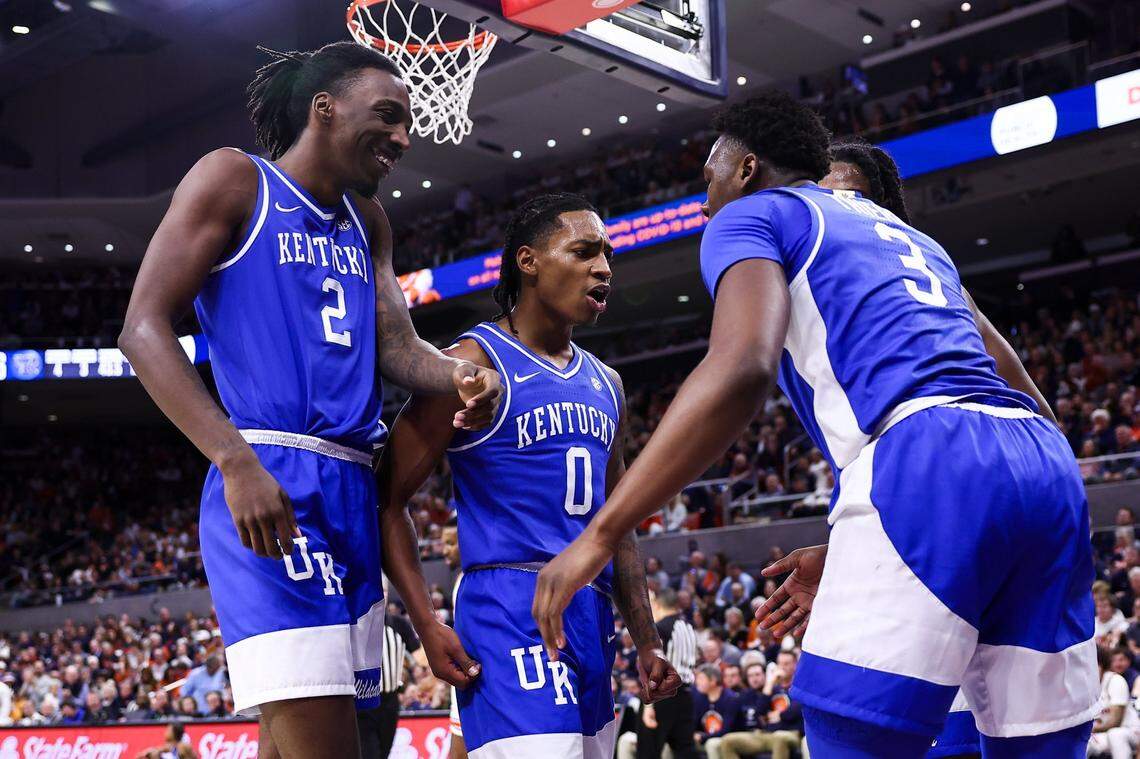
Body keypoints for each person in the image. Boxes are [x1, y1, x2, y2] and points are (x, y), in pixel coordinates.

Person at [532, 90, 1098, 757]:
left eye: (709, 177)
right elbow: (1023, 392)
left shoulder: (753, 216)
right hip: (1046, 469)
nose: (704, 199)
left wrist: (601, 533)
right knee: (1034, 748)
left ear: (744, 170)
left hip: (924, 452)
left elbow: (742, 367)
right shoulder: (916, 242)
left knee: (849, 741)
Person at [119, 41, 500, 759]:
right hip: (273, 477)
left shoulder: (369, 221)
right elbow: (142, 330)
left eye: (408, 121)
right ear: (325, 108)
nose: (403, 137)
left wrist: (463, 376)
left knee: (296, 741)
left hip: (354, 490)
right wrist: (234, 458)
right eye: (387, 115)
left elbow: (396, 347)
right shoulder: (236, 180)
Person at [376, 192, 681, 757]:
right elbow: (385, 498)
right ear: (528, 261)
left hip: (590, 614)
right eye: (584, 251)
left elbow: (618, 524)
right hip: (509, 603)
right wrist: (424, 621)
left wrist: (646, 638)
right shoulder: (473, 360)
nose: (604, 268)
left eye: (608, 253)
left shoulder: (607, 383)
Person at [820, 140, 982, 759]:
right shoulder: (830, 292)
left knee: (848, 726)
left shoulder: (922, 284)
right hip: (914, 508)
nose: (826, 203)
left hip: (938, 504)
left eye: (844, 192)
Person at [357, 612, 422, 758]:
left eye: (386, 590)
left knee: (384, 751)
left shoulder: (399, 624)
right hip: (364, 699)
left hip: (390, 699)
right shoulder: (356, 621)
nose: (383, 593)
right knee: (369, 752)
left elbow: (419, 658)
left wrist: (411, 683)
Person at [1088, 646, 1140, 759]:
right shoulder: (1087, 686)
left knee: (1115, 735)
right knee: (1079, 743)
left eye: (1094, 665)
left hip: (1130, 730)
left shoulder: (1115, 681)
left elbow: (1115, 722)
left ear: (1102, 665)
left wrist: (1088, 730)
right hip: (1102, 733)